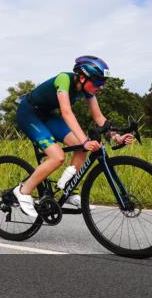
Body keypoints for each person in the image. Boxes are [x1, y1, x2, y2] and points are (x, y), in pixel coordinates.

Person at [12, 56, 134, 216]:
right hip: (29, 114)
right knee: (57, 157)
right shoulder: (64, 79)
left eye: (103, 82)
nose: (101, 86)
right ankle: (23, 191)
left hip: (47, 115)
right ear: (82, 77)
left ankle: (69, 191)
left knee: (81, 148)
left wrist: (116, 136)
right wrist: (85, 140)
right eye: (98, 82)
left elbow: (99, 117)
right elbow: (66, 112)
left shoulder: (87, 89)